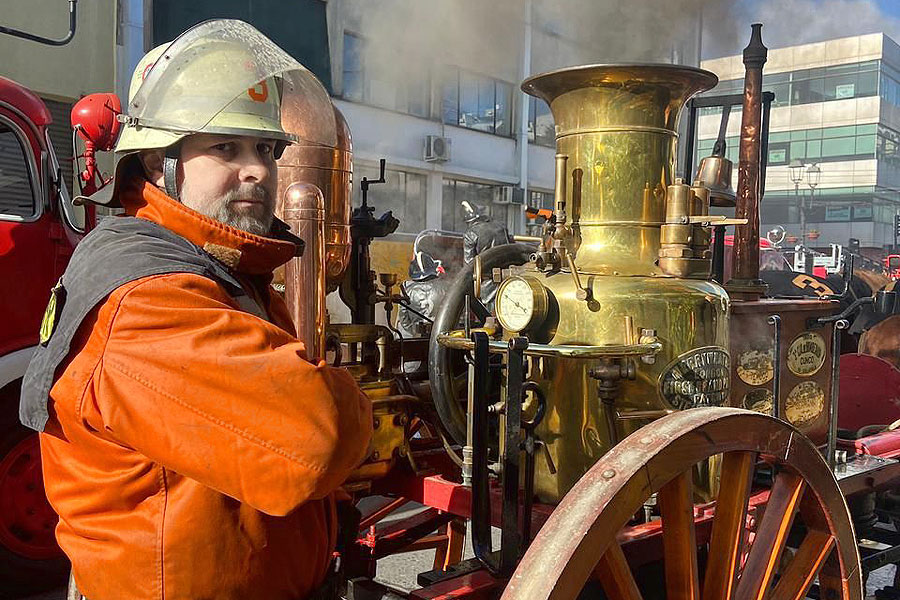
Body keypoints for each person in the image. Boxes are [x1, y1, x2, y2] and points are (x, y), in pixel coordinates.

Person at [20, 20, 372, 600]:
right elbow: (318, 438)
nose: (257, 169)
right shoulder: (147, 298)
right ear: (162, 162)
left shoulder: (220, 267)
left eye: (266, 149)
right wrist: (347, 400)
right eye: (226, 148)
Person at [461, 199, 511, 265]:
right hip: (506, 267)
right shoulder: (501, 226)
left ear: (468, 221)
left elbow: (469, 264)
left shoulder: (470, 234)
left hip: (486, 271)